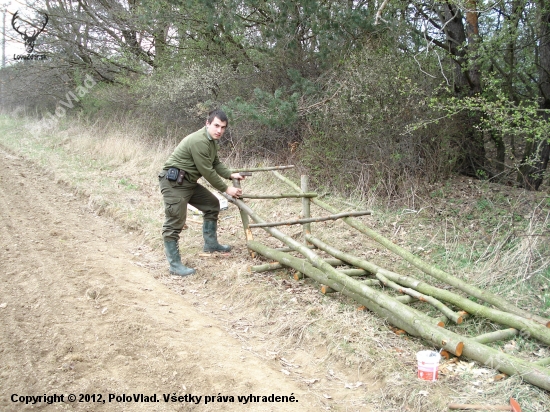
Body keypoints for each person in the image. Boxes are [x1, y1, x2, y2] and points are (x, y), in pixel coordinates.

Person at [158, 109, 244, 276]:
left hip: (188, 182)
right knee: (175, 221)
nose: (219, 130)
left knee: (212, 205)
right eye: (216, 126)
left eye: (223, 127)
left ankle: (211, 245)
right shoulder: (199, 141)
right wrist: (227, 189)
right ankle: (175, 265)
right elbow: (207, 171)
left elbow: (216, 163)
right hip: (174, 183)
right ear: (207, 123)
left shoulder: (211, 140)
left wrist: (230, 174)